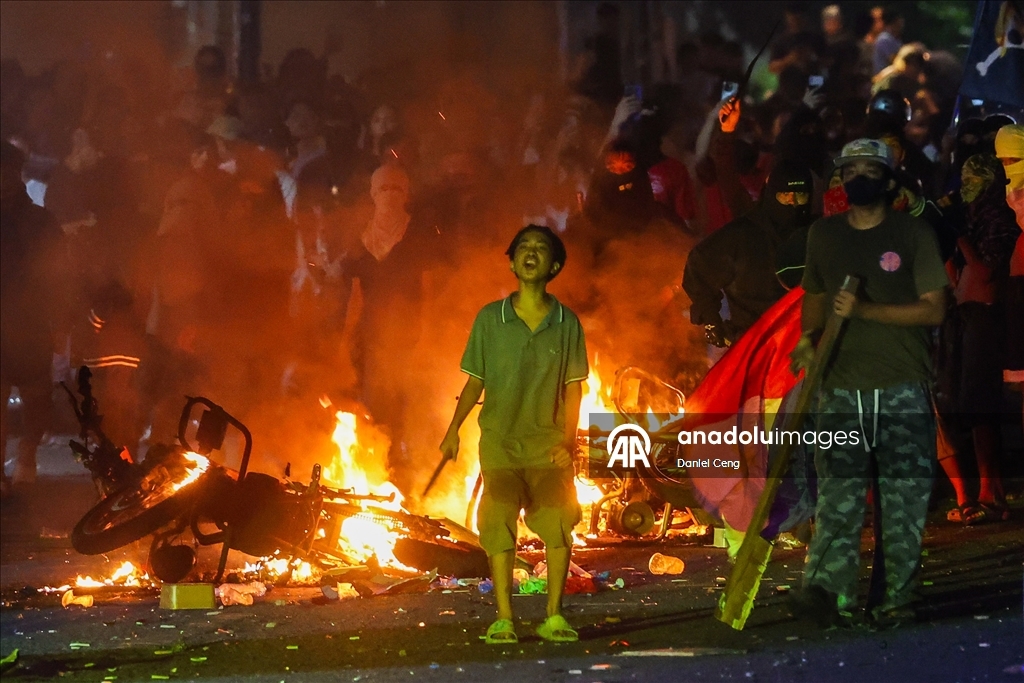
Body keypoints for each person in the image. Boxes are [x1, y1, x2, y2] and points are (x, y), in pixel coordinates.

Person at [790, 139, 948, 628]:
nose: (858, 177)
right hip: (839, 386)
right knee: (837, 495)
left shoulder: (913, 233)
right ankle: (827, 594)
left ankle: (895, 599)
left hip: (901, 384)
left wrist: (865, 311)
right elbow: (814, 294)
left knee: (903, 500)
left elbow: (934, 307)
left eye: (869, 169)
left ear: (888, 178)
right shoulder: (824, 234)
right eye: (849, 170)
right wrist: (805, 339)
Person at [440, 225, 588, 645]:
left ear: (554, 266)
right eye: (523, 247)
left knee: (559, 521)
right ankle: (504, 619)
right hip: (501, 446)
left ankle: (553, 616)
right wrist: (453, 430)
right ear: (511, 261)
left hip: (548, 449)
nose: (531, 253)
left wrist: (568, 441)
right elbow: (474, 382)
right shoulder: (491, 318)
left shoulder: (566, 322)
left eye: (541, 249)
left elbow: (573, 388)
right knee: (497, 517)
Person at [683, 161, 815, 347]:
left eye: (800, 196)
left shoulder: (816, 234)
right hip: (752, 344)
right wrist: (711, 318)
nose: (793, 204)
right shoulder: (742, 235)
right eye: (785, 196)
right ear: (770, 194)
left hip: (804, 343)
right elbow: (699, 268)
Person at [1, 141, 69, 488]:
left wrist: (60, 323)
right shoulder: (39, 220)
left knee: (36, 397)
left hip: (29, 323)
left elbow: (58, 274)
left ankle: (27, 454)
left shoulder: (39, 221)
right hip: (15, 323)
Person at [872, 8, 905, 74]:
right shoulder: (884, 39)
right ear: (894, 22)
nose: (902, 25)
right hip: (883, 78)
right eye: (900, 22)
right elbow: (896, 61)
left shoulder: (895, 40)